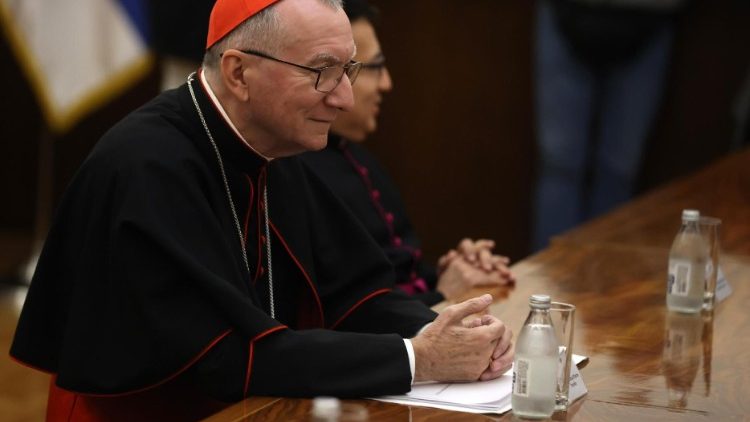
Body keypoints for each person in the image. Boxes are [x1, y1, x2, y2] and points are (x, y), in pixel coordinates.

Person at [10, 0, 514, 420]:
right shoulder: (150, 168)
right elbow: (227, 357)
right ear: (238, 72)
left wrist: (453, 328)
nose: (342, 98)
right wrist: (417, 359)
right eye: (322, 72)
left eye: (348, 70)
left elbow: (355, 296)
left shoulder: (274, 144)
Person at [300, 0, 515, 306]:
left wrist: (453, 272)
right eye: (374, 68)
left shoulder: (361, 159)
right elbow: (351, 313)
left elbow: (398, 270)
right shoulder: (297, 172)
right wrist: (444, 292)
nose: (387, 83)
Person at [532, 0, 685, 249]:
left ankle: (604, 279)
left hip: (650, 16)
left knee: (620, 169)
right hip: (567, 13)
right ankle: (548, 281)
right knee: (561, 167)